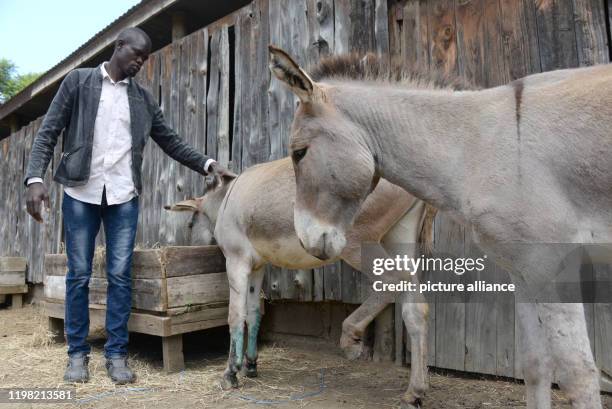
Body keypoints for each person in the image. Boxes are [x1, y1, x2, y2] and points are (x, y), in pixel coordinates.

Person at [24, 27, 232, 384]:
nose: (140, 61)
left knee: (121, 277)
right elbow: (49, 131)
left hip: (122, 197)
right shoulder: (79, 82)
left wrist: (207, 164)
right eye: (136, 54)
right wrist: (35, 179)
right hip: (80, 194)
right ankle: (77, 355)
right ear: (118, 47)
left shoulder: (143, 99)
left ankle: (117, 355)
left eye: (145, 58)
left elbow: (171, 141)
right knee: (78, 276)